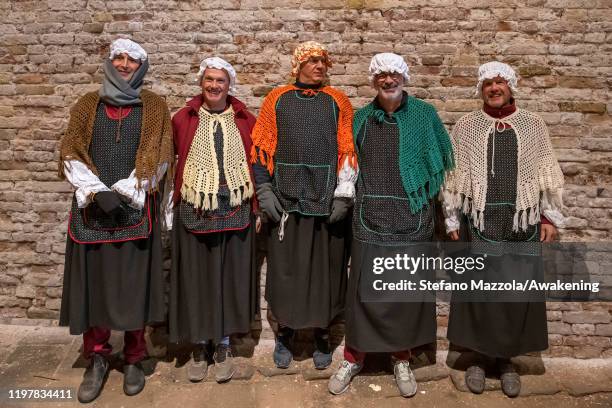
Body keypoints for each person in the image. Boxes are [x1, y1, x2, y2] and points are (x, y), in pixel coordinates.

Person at [327, 53, 454, 397]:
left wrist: (452, 214)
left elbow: (440, 168)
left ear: (404, 77)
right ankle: (354, 357)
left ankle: (402, 358)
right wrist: (342, 198)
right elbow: (348, 165)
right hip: (370, 219)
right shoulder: (362, 118)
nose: (388, 80)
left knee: (404, 296)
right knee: (363, 295)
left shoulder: (424, 116)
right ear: (374, 81)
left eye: (394, 74)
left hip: (413, 220)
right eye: (381, 75)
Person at [58, 38, 173, 403]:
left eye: (132, 60)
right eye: (118, 58)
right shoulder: (87, 104)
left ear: (142, 66)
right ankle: (97, 356)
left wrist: (126, 190)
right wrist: (95, 191)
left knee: (134, 285)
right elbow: (71, 149)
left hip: (135, 207)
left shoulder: (154, 106)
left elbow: (161, 155)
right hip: (92, 209)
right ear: (110, 62)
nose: (124, 65)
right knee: (96, 286)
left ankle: (135, 355)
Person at [441, 61, 565, 397]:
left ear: (510, 86)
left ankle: (507, 361)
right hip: (479, 221)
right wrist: (451, 217)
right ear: (480, 89)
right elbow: (453, 174)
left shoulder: (532, 124)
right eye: (488, 84)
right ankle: (479, 359)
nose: (494, 88)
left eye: (500, 83)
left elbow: (545, 170)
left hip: (520, 223)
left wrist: (549, 217)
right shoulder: (467, 126)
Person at [251, 41, 357, 369]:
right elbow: (262, 147)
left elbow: (346, 149)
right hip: (286, 203)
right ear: (298, 65)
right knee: (287, 273)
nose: (319, 66)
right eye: (312, 61)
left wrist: (344, 192)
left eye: (322, 61)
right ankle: (286, 333)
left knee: (326, 272)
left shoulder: (337, 100)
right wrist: (264, 190)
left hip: (326, 203)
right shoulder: (277, 99)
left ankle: (322, 333)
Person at [167, 57, 258, 383]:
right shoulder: (182, 119)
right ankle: (199, 345)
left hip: (235, 205)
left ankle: (222, 345)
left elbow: (256, 161)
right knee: (197, 277)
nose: (214, 86)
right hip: (195, 206)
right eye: (209, 80)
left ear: (228, 84)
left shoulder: (245, 119)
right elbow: (170, 162)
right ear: (201, 83)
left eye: (220, 80)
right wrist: (170, 206)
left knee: (227, 277)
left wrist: (259, 205)